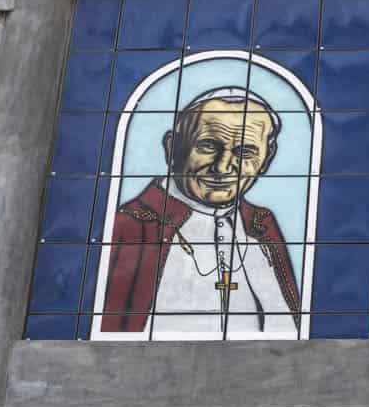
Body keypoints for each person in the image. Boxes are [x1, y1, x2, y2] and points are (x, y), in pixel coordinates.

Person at [100, 87, 301, 336]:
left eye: (245, 152)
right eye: (208, 146)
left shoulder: (262, 225)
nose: (223, 168)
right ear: (173, 148)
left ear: (267, 158)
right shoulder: (131, 225)